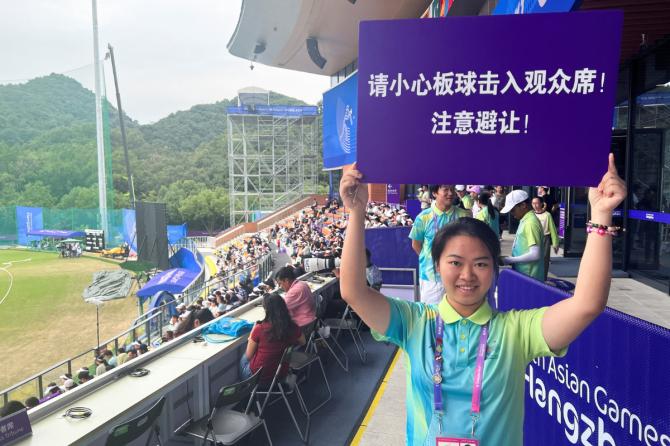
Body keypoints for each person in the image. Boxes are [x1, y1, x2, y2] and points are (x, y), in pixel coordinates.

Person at [337, 157, 625, 445]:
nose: (467, 275)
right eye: (455, 262)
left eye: (480, 264)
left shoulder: (515, 331)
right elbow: (354, 291)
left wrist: (601, 215)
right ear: (437, 266)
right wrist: (356, 212)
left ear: (493, 269)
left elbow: (587, 304)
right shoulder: (415, 323)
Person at [410, 185, 469, 304]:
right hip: (431, 279)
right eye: (446, 189)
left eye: (452, 189)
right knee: (433, 316)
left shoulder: (464, 216)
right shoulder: (423, 217)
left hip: (459, 277)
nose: (450, 193)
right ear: (435, 193)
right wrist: (430, 259)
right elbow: (416, 244)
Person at [239, 292, 305, 382]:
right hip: (281, 373)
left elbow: (249, 356)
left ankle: (247, 388)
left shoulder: (259, 329)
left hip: (259, 377)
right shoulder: (292, 327)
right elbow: (303, 342)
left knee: (243, 359)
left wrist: (251, 335)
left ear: (267, 310)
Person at [500, 190, 545, 281]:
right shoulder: (526, 220)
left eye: (513, 210)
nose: (512, 214)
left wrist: (509, 260)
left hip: (530, 277)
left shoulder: (530, 223)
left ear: (523, 205)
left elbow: (535, 254)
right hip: (525, 275)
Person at [275, 266, 316, 336]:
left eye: (280, 283)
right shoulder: (302, 284)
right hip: (311, 321)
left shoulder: (294, 292)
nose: (280, 287)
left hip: (303, 326)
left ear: (286, 280)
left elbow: (280, 308)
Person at [532, 197, 560, 281]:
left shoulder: (547, 215)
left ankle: (543, 279)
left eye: (537, 203)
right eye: (533, 203)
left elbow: (553, 230)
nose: (535, 205)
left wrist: (555, 243)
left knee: (544, 259)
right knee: (534, 259)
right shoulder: (531, 214)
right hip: (534, 238)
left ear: (541, 204)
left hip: (545, 239)